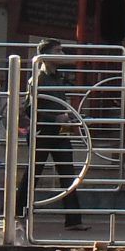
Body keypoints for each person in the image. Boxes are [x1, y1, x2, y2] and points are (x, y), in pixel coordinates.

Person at [27, 39, 86, 230]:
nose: (62, 54)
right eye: (58, 51)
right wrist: (55, 118)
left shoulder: (58, 77)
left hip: (60, 133)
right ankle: (18, 213)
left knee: (68, 175)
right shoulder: (38, 78)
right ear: (46, 55)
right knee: (32, 176)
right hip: (43, 132)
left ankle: (74, 220)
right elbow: (30, 109)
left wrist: (68, 118)